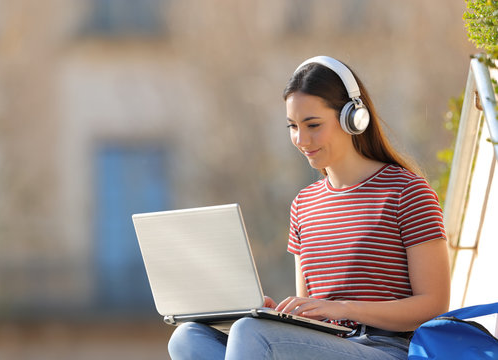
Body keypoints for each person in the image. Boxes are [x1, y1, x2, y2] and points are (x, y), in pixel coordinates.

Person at [167, 56, 451, 360]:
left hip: (386, 348)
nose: (302, 140)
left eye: (313, 125)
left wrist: (343, 308)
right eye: (293, 126)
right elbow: (312, 311)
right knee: (188, 338)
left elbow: (433, 305)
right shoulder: (304, 204)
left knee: (250, 332)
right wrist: (279, 315)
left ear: (353, 118)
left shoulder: (406, 191)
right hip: (323, 344)